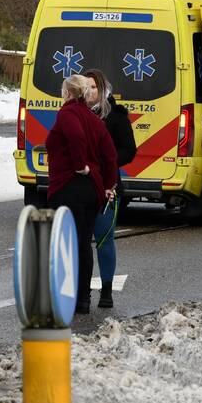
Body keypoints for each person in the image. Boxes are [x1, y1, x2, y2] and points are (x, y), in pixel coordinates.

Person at [45, 74, 117, 315]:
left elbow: (75, 137)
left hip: (69, 185)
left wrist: (79, 165)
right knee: (84, 244)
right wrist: (108, 184)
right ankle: (83, 299)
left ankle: (67, 295)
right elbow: (110, 155)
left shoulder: (67, 114)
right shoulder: (95, 120)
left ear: (68, 93)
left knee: (65, 243)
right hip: (92, 190)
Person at [84, 69, 136, 309]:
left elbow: (130, 150)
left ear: (104, 89)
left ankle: (106, 290)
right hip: (81, 188)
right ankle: (81, 291)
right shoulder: (76, 114)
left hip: (107, 187)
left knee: (105, 239)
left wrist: (109, 159)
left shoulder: (116, 116)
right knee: (80, 242)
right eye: (87, 87)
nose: (91, 92)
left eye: (95, 87)